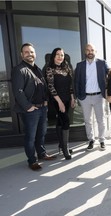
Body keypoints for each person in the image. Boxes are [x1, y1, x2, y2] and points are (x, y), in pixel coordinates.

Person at [11, 42, 56, 171]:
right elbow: (18, 91)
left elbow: (43, 87)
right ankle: (32, 160)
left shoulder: (37, 69)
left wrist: (46, 101)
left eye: (31, 52)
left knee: (41, 133)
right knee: (30, 137)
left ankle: (42, 154)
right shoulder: (19, 70)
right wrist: (28, 106)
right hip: (30, 110)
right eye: (26, 52)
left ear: (35, 54)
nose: (29, 54)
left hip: (42, 108)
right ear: (21, 55)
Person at [74, 44, 109, 151]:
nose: (90, 52)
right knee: (87, 120)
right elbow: (76, 81)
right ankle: (91, 140)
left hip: (98, 96)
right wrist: (76, 97)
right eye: (88, 50)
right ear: (85, 51)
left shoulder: (102, 63)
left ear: (95, 51)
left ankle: (102, 140)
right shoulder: (80, 65)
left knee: (100, 120)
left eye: (92, 50)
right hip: (85, 98)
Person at [46, 48, 76, 160]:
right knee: (66, 121)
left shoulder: (67, 67)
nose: (60, 57)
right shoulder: (50, 69)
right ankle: (65, 149)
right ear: (53, 56)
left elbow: (70, 85)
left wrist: (72, 98)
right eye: (57, 54)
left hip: (68, 99)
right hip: (57, 100)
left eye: (62, 55)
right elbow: (51, 87)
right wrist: (60, 102)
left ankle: (61, 145)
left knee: (60, 121)